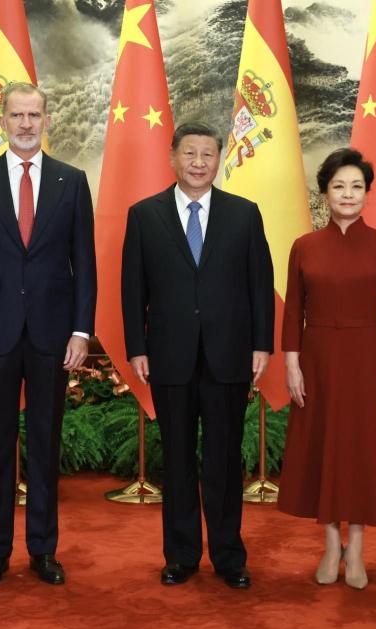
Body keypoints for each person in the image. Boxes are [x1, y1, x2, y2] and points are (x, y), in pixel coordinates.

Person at [0, 82, 97, 587]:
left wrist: (82, 331)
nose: (26, 124)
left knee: (44, 442)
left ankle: (43, 549)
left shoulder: (72, 181)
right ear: (2, 120)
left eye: (35, 115)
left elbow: (85, 262)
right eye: (17, 115)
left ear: (47, 120)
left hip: (54, 336)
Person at [121, 121, 274, 589]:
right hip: (169, 355)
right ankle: (182, 555)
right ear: (174, 157)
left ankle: (229, 557)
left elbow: (260, 287)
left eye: (208, 155)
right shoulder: (145, 215)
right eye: (190, 154)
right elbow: (132, 289)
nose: (199, 163)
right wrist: (137, 347)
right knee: (179, 459)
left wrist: (261, 344)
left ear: (218, 160)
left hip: (228, 355)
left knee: (224, 461)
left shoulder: (244, 214)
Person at [277, 147, 376, 590]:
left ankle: (356, 548)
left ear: (367, 193)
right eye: (339, 186)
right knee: (323, 448)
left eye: (357, 186)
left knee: (360, 451)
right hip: (316, 359)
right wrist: (292, 366)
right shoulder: (304, 247)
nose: (348, 194)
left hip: (367, 359)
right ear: (325, 193)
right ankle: (330, 543)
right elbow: (293, 310)